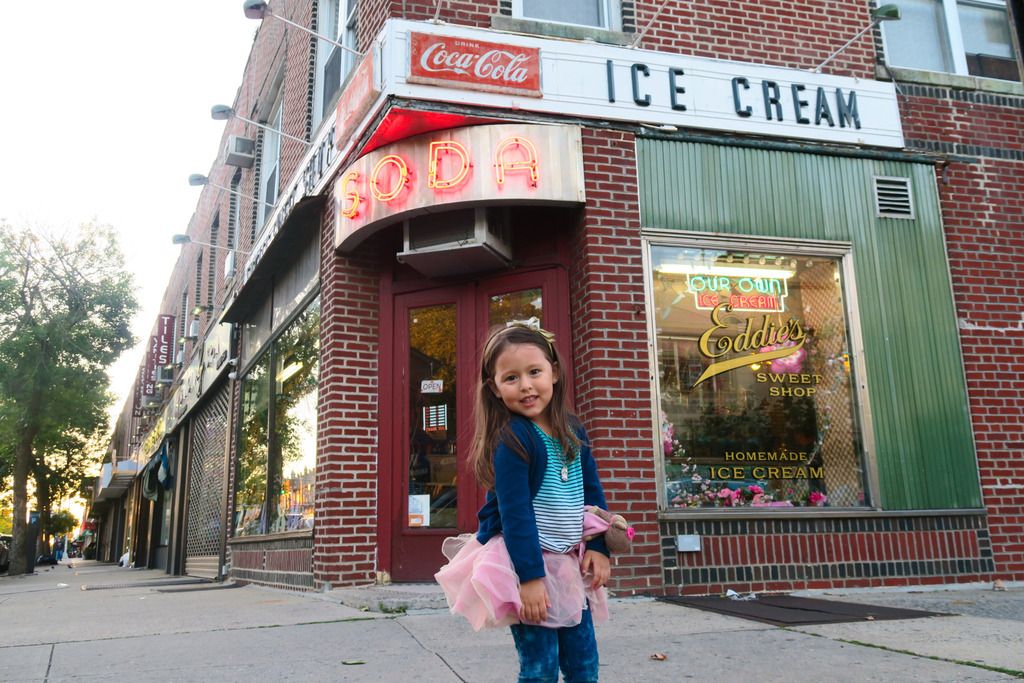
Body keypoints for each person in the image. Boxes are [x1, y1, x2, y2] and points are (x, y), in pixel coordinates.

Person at [435, 321, 612, 683]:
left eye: (535, 372)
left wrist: (599, 546)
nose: (527, 386)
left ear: (555, 372)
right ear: (495, 389)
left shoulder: (573, 429)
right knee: (540, 666)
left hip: (569, 565)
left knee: (584, 663)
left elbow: (592, 494)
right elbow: (516, 514)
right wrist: (530, 579)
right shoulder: (511, 440)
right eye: (511, 378)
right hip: (526, 563)